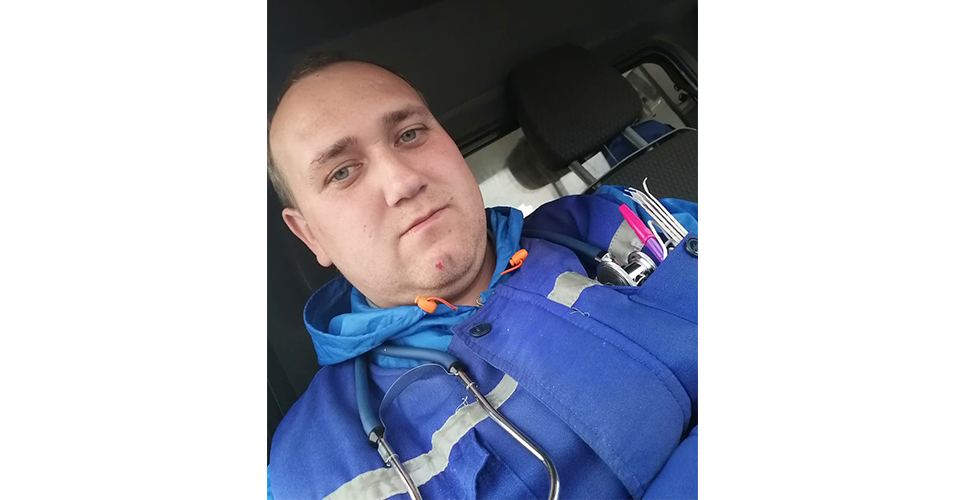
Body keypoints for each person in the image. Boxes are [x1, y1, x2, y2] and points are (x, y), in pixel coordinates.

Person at [267, 53, 698, 500]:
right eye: (342, 172)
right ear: (309, 234)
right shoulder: (302, 472)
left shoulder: (627, 219)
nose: (402, 182)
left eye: (409, 134)